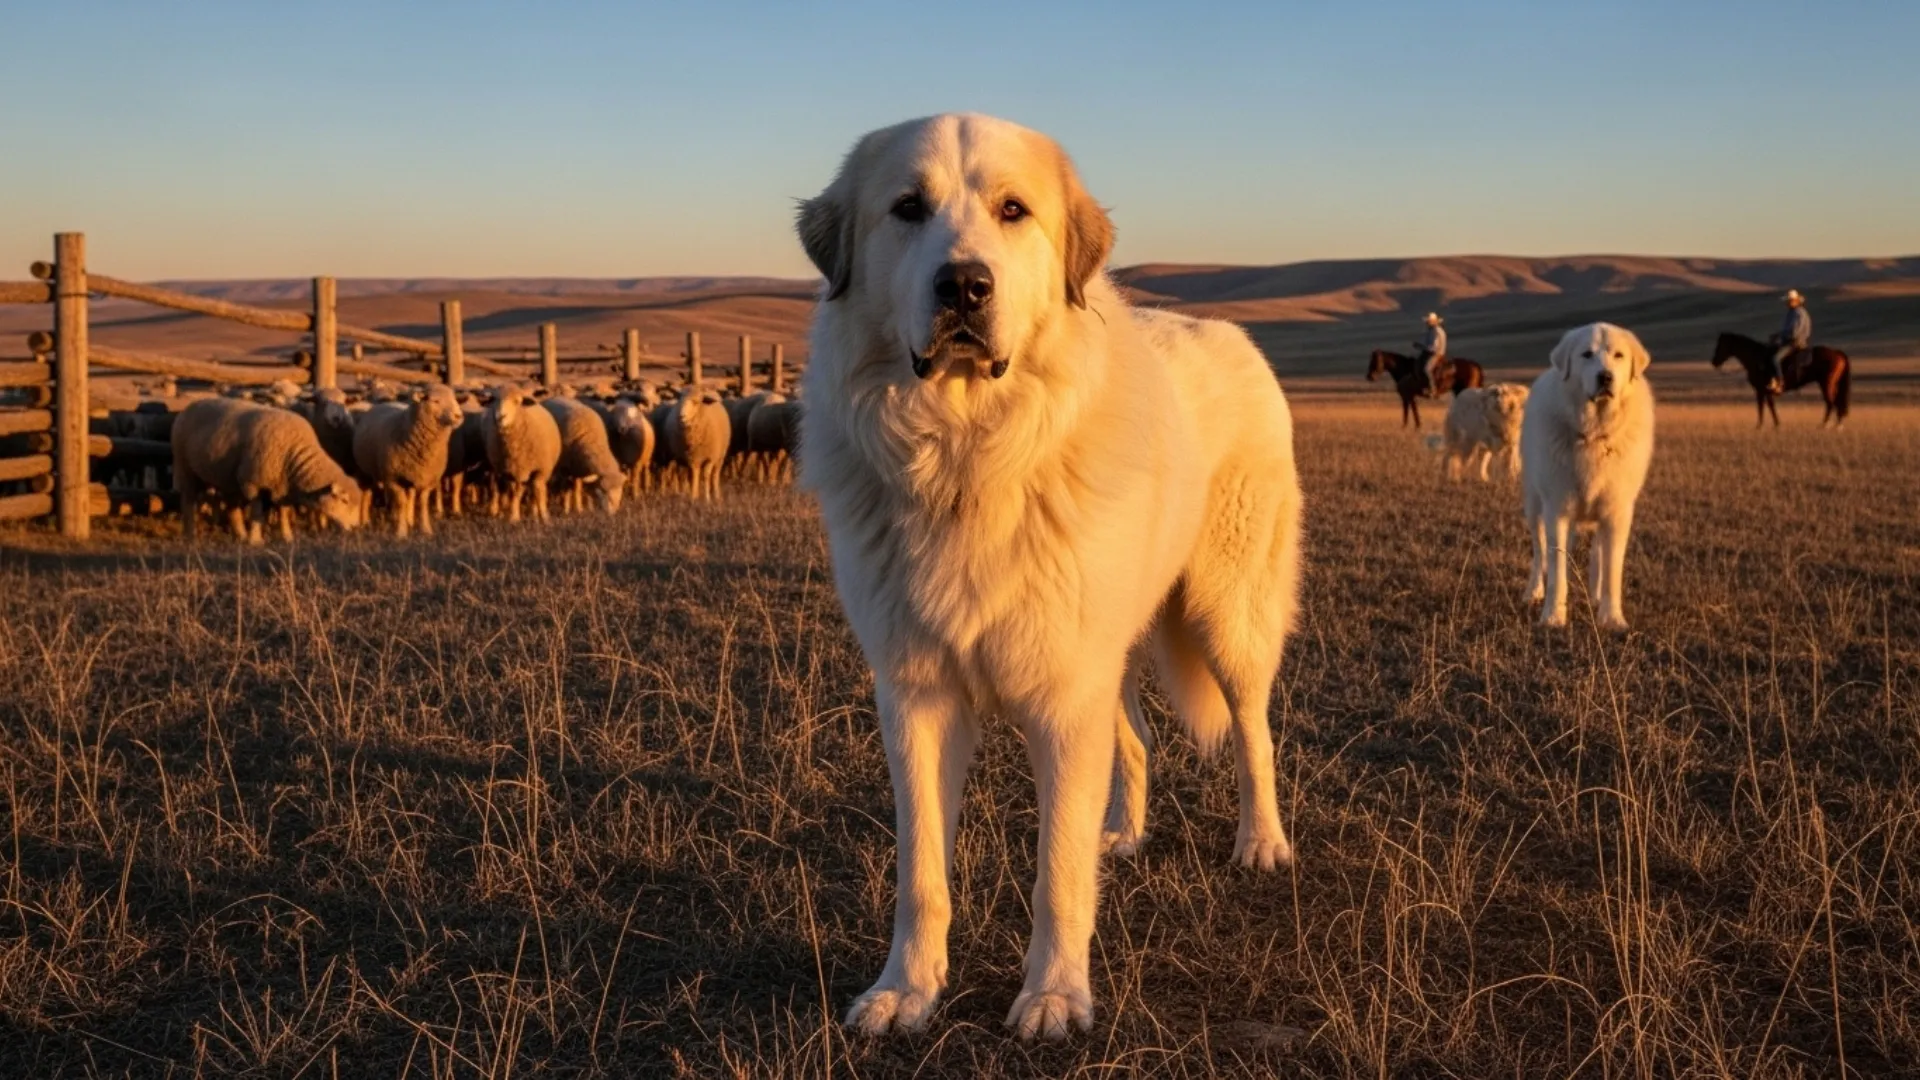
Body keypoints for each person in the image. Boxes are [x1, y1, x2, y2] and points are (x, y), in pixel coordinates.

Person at [1768, 289, 1811, 394]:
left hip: (1795, 343)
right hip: (1790, 340)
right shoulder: (1792, 312)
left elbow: (1794, 333)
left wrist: (1780, 336)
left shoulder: (1798, 313)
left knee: (1775, 359)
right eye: (1787, 301)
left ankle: (1780, 382)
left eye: (1789, 301)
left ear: (1796, 301)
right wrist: (1778, 335)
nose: (1787, 303)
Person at [1415, 312, 1447, 393]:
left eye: (1428, 322)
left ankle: (1432, 388)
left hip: (1436, 354)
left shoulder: (1435, 331)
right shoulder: (1433, 330)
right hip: (1436, 352)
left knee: (1427, 369)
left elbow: (1434, 346)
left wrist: (1421, 347)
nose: (1427, 323)